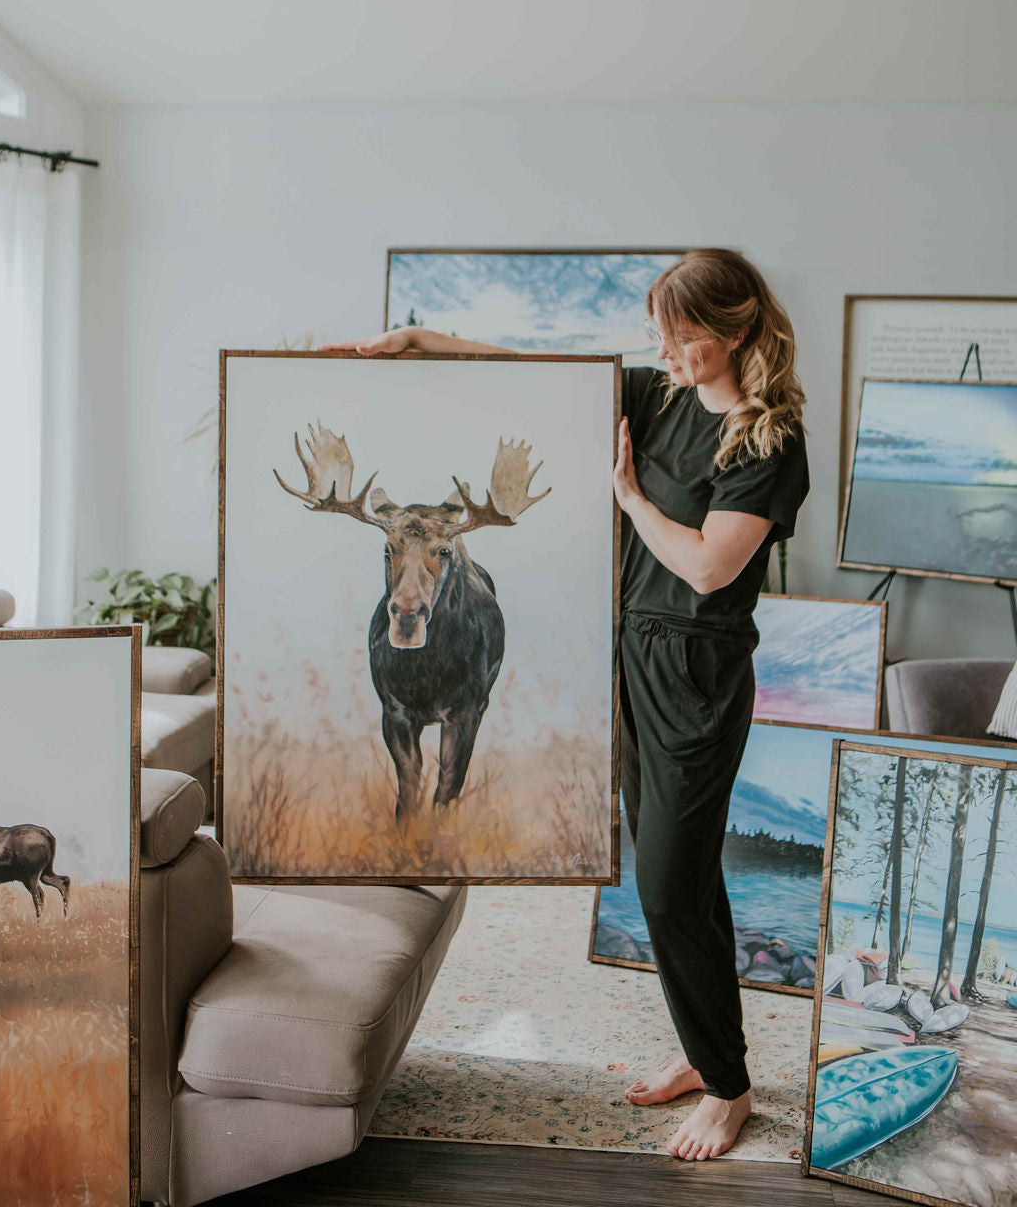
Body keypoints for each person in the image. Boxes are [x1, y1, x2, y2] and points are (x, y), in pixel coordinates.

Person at [326, 247, 809, 1163]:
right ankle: (714, 1056)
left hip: (697, 677)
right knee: (685, 883)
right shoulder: (657, 395)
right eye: (659, 336)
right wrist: (424, 340)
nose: (664, 351)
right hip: (628, 653)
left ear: (735, 332)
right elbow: (536, 376)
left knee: (667, 885)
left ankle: (732, 1092)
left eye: (682, 336)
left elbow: (709, 563)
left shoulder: (768, 441)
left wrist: (627, 495)